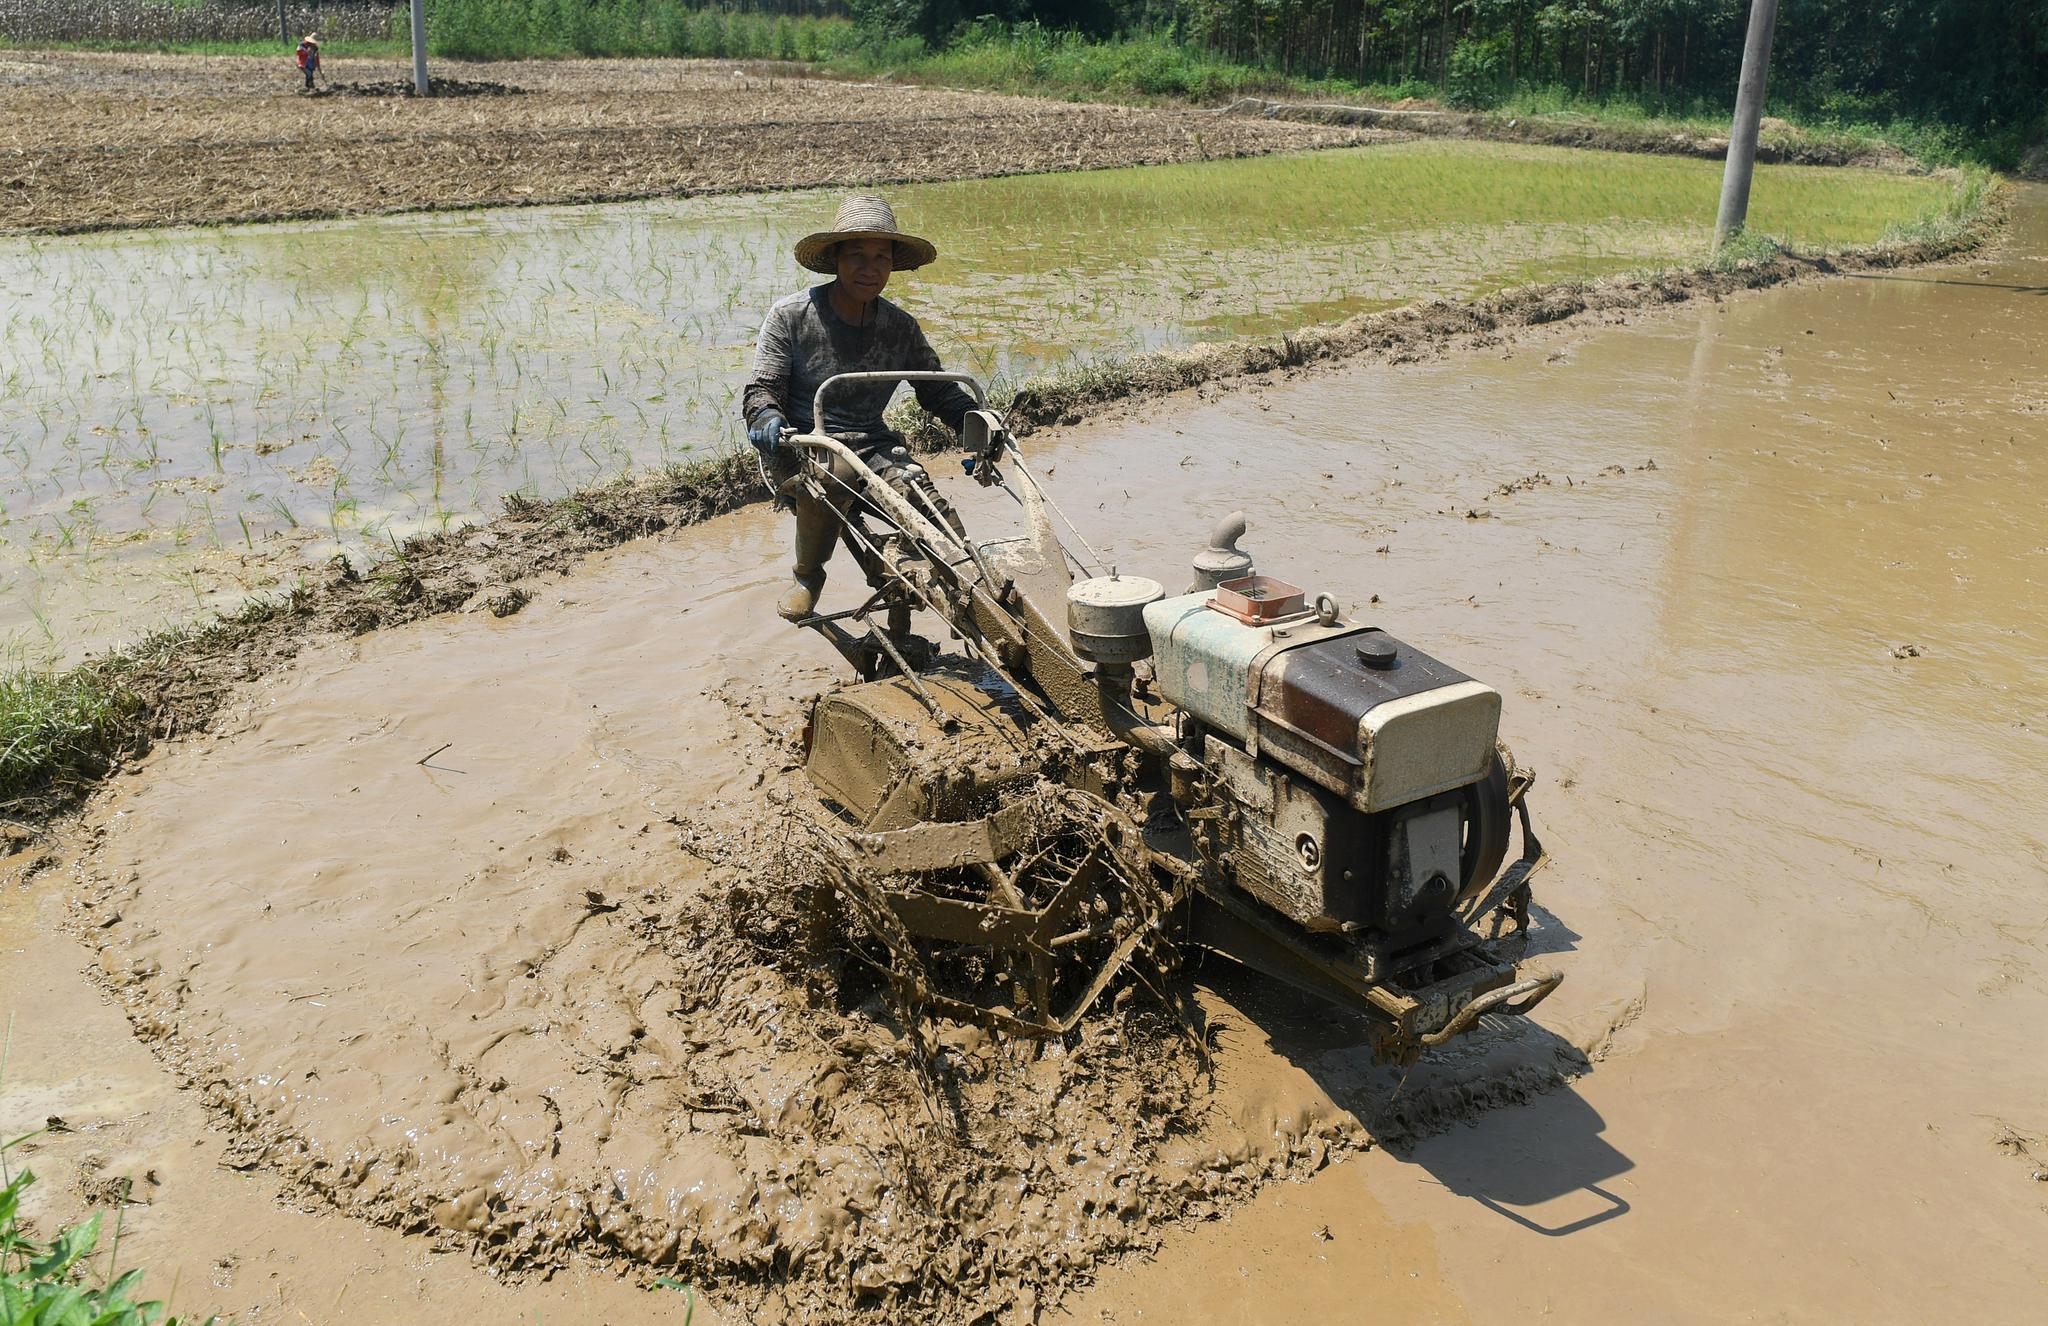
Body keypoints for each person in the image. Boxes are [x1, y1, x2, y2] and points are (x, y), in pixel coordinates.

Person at [742, 194, 975, 622]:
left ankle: (919, 587)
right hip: (803, 443)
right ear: (835, 260)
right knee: (835, 471)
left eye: (880, 258)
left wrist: (976, 424)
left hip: (871, 442)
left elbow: (938, 391)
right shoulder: (791, 316)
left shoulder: (899, 327)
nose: (870, 269)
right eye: (857, 256)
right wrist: (765, 417)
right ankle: (808, 574)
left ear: (892, 264)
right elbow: (762, 388)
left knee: (930, 510)